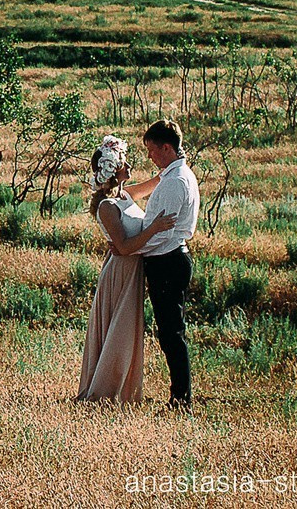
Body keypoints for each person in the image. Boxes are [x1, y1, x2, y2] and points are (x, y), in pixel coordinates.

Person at [76, 135, 175, 403]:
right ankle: (105, 391)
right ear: (114, 169)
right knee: (119, 331)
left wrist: (175, 160)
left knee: (127, 331)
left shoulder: (125, 195)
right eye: (124, 162)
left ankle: (119, 388)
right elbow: (124, 246)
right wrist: (154, 228)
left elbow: (156, 183)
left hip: (132, 269)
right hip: (121, 271)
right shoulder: (107, 206)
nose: (129, 165)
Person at [122, 119, 200, 411]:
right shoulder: (173, 175)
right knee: (170, 331)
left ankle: (181, 400)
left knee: (171, 333)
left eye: (152, 150)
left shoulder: (175, 182)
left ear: (166, 147)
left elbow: (160, 233)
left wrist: (128, 248)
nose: (150, 156)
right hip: (169, 259)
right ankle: (180, 397)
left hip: (167, 261)